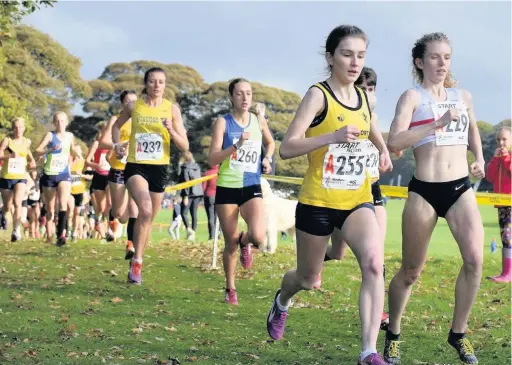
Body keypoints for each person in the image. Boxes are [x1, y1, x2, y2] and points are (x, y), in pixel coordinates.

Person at [265, 25, 392, 365]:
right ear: (330, 56)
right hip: (318, 202)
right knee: (307, 278)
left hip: (356, 200)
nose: (354, 62)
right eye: (347, 54)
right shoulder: (318, 96)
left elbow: (370, 128)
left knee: (374, 264)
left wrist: (381, 150)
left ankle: (368, 351)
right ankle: (282, 300)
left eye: (361, 56)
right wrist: (332, 136)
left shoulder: (364, 98)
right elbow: (287, 148)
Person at [384, 32, 485, 365]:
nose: (442, 64)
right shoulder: (412, 97)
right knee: (411, 270)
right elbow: (396, 139)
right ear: (419, 62)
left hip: (460, 188)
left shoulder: (462, 95)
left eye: (447, 57)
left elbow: (472, 131)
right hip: (425, 190)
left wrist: (479, 158)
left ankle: (458, 334)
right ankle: (394, 334)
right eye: (434, 57)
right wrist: (436, 124)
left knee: (474, 261)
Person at [314, 66, 390, 328]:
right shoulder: (341, 112)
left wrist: (384, 151)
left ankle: (377, 313)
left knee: (375, 258)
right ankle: (317, 262)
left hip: (371, 189)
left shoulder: (373, 117)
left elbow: (378, 139)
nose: (367, 93)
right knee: (338, 253)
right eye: (363, 88)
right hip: (342, 192)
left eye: (371, 88)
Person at [113, 66, 189, 285]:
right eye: (153, 81)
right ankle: (136, 261)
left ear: (165, 85)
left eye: (161, 82)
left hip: (159, 168)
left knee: (148, 218)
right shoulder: (133, 106)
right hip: (136, 165)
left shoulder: (171, 109)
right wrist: (118, 144)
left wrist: (171, 131)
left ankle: (138, 259)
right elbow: (116, 126)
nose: (157, 86)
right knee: (144, 208)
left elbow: (184, 145)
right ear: (145, 84)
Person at [208, 78, 275, 305]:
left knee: (258, 236)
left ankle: (247, 242)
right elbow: (212, 158)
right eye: (239, 94)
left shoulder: (258, 120)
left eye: (248, 93)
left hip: (251, 185)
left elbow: (271, 143)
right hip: (227, 186)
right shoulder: (222, 123)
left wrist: (267, 158)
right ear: (231, 97)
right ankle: (230, 288)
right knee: (230, 244)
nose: (245, 98)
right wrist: (236, 146)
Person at [99, 89, 139, 259]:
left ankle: (131, 244)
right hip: (118, 168)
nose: (132, 105)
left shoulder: (140, 120)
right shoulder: (116, 120)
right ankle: (115, 221)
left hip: (136, 167)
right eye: (128, 101)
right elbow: (103, 141)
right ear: (123, 103)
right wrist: (118, 145)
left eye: (135, 101)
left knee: (134, 206)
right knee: (120, 214)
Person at [34, 111, 78, 246]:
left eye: (63, 121)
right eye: (57, 121)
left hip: (64, 174)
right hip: (49, 175)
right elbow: (37, 151)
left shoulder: (70, 136)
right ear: (54, 122)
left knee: (63, 205)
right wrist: (50, 149)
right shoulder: (50, 135)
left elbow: (73, 148)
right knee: (50, 209)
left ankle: (61, 235)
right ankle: (49, 235)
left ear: (67, 122)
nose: (60, 123)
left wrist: (77, 154)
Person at [0, 117, 37, 242]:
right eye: (15, 127)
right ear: (12, 128)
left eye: (20, 127)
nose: (18, 129)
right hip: (6, 177)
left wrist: (32, 162)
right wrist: (9, 156)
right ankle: (2, 215)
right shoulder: (7, 140)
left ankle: (16, 231)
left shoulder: (26, 142)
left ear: (24, 128)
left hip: (20, 177)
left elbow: (28, 155)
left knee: (17, 203)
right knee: (7, 206)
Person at [485, 126, 511, 283]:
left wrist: (507, 158)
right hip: (501, 204)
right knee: (504, 236)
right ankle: (505, 272)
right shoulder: (498, 157)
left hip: (510, 203)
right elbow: (490, 176)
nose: (501, 143)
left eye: (505, 139)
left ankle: (508, 274)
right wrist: (495, 159)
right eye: (498, 140)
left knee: (508, 236)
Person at [86, 122, 112, 238]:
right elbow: (87, 161)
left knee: (109, 204)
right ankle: (98, 221)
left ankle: (109, 230)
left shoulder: (112, 143)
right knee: (101, 208)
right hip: (98, 176)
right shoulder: (96, 144)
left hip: (110, 176)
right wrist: (95, 165)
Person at [178, 151, 204, 241]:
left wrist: (185, 195)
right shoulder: (197, 167)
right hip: (198, 192)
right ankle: (192, 233)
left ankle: (189, 230)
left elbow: (186, 182)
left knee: (183, 212)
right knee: (194, 214)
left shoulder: (185, 168)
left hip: (189, 194)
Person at [202, 164, 219, 240]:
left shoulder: (207, 173)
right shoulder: (220, 172)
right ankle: (218, 235)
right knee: (218, 217)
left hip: (209, 196)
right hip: (219, 196)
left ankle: (211, 236)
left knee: (210, 217)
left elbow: (203, 187)